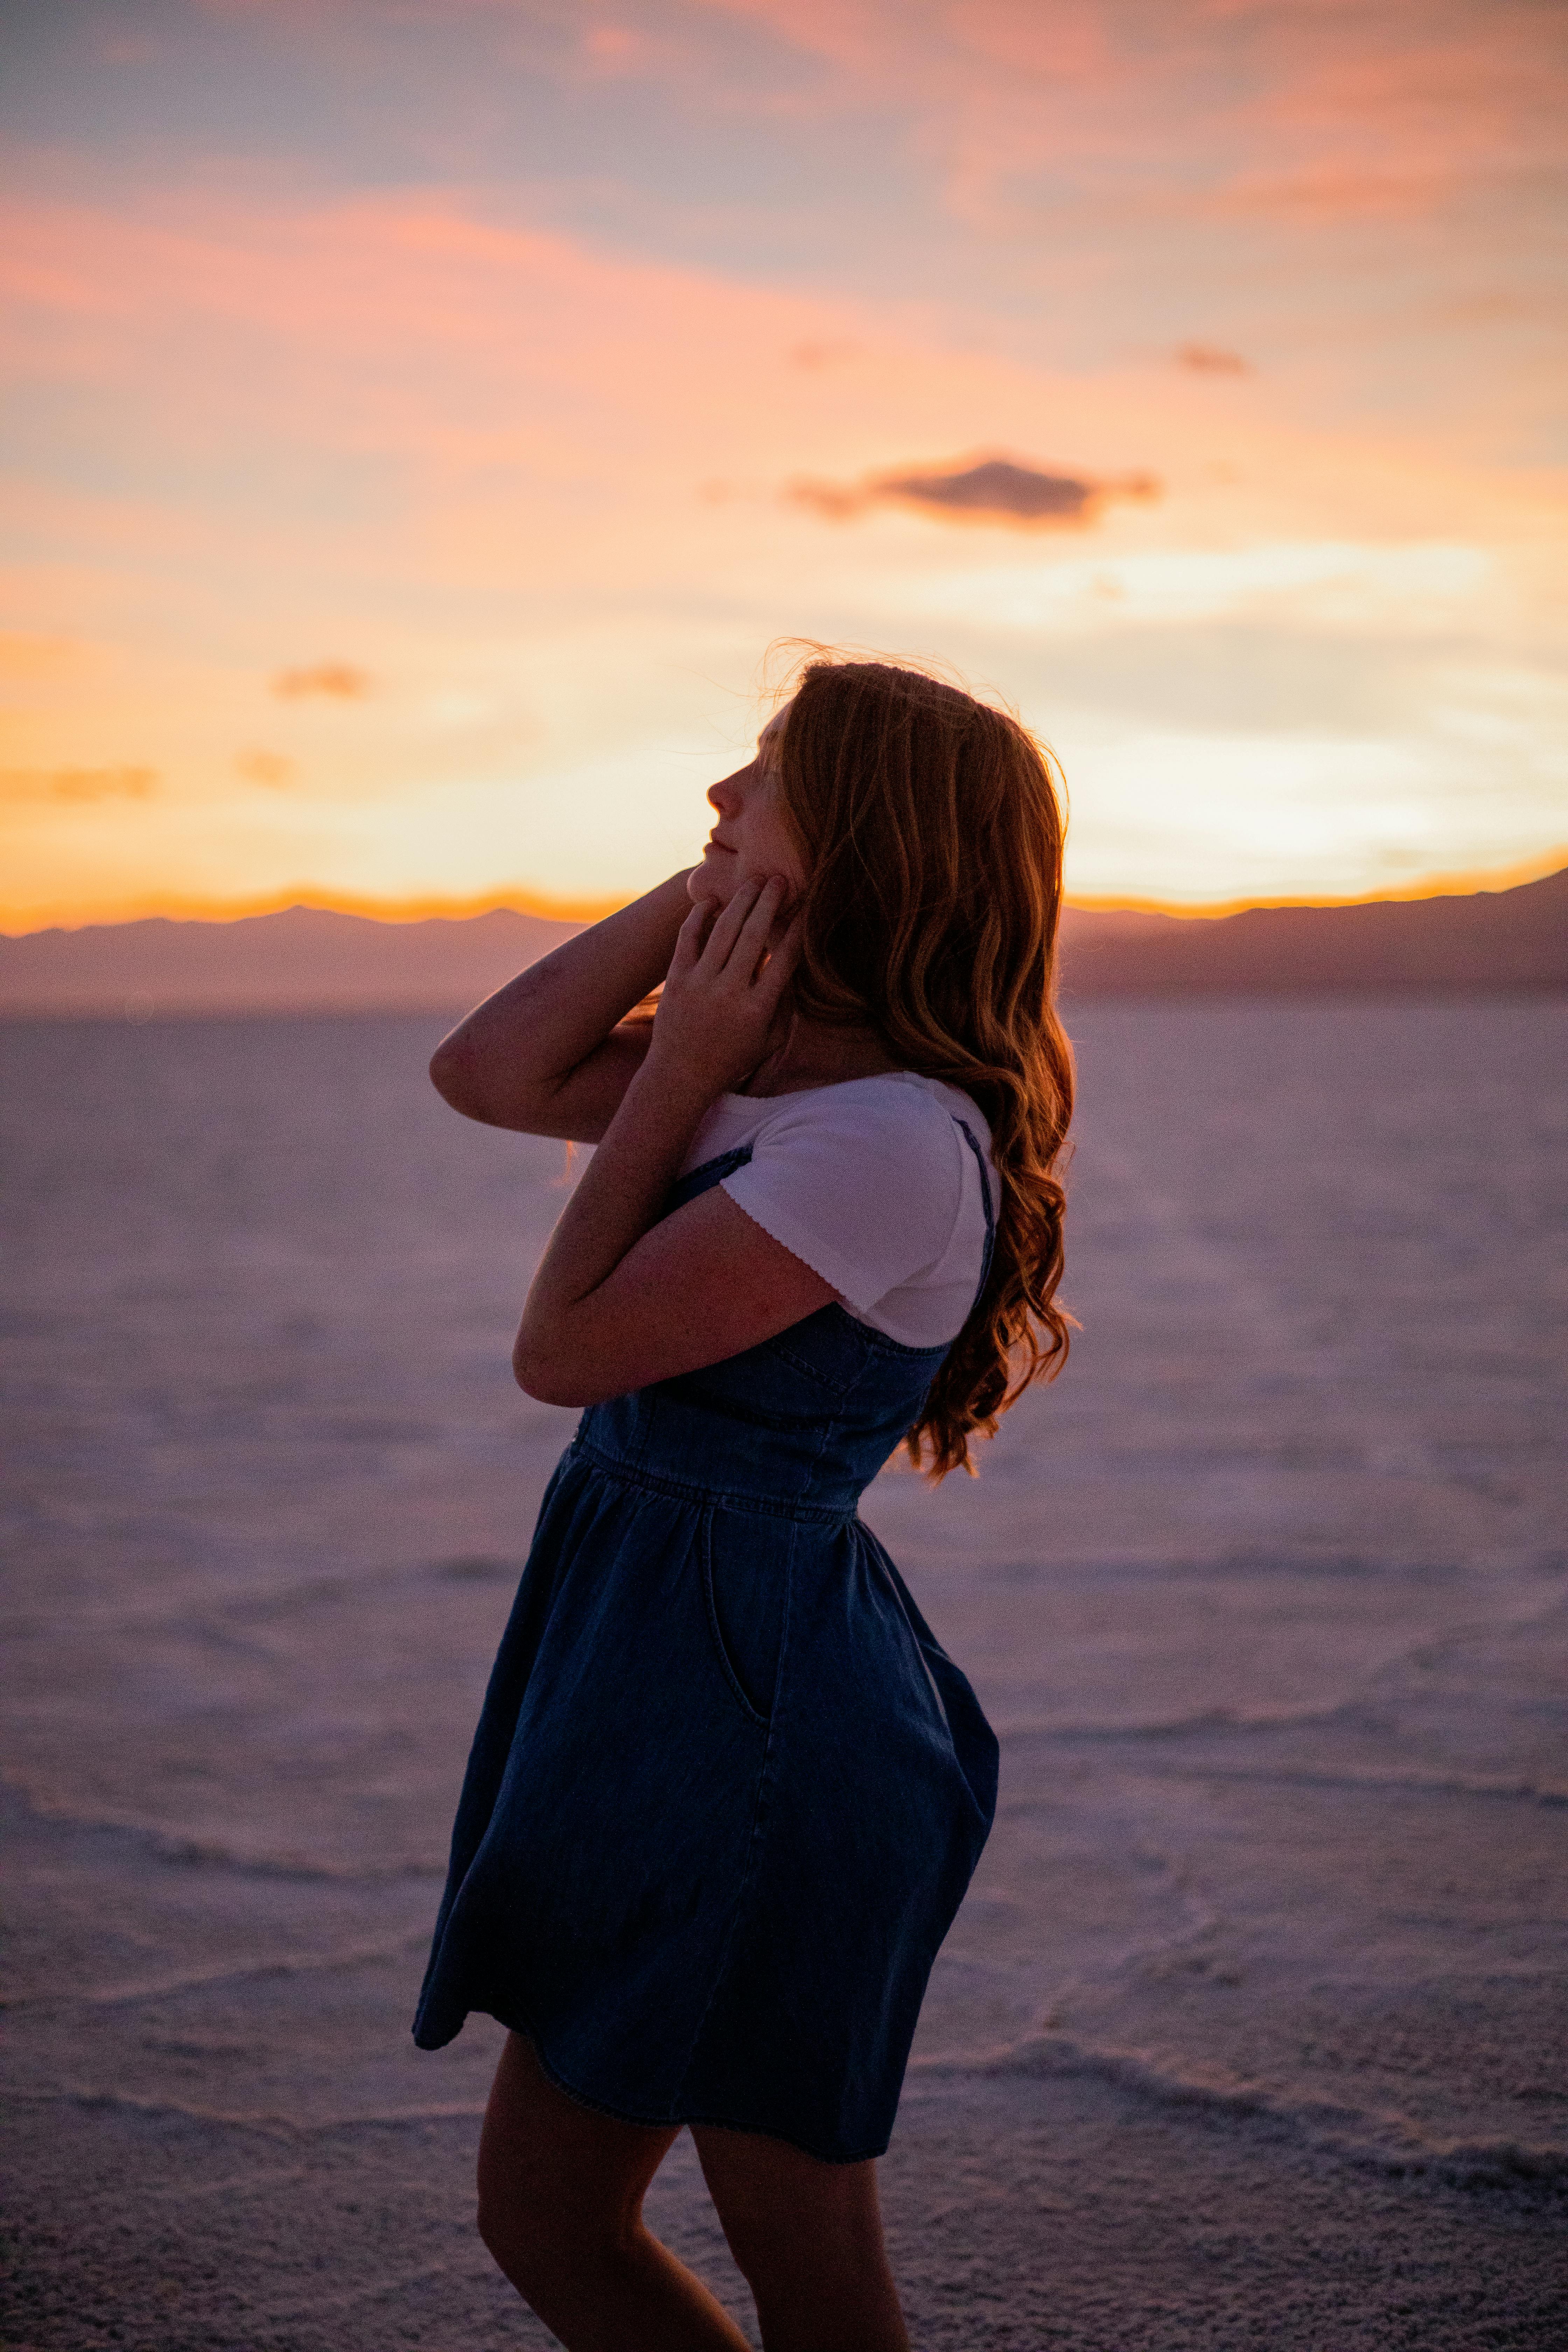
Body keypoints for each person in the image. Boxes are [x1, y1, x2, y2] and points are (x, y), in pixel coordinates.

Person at [413, 653, 1075, 2351]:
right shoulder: (777, 1077)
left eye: (760, 777)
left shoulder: (885, 1144)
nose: (714, 797)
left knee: (806, 2254)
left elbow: (561, 1351)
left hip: (767, 1713)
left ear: (860, 842)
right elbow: (481, 1072)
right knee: (546, 2214)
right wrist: (704, 925)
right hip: (652, 1671)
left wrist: (685, 1061)